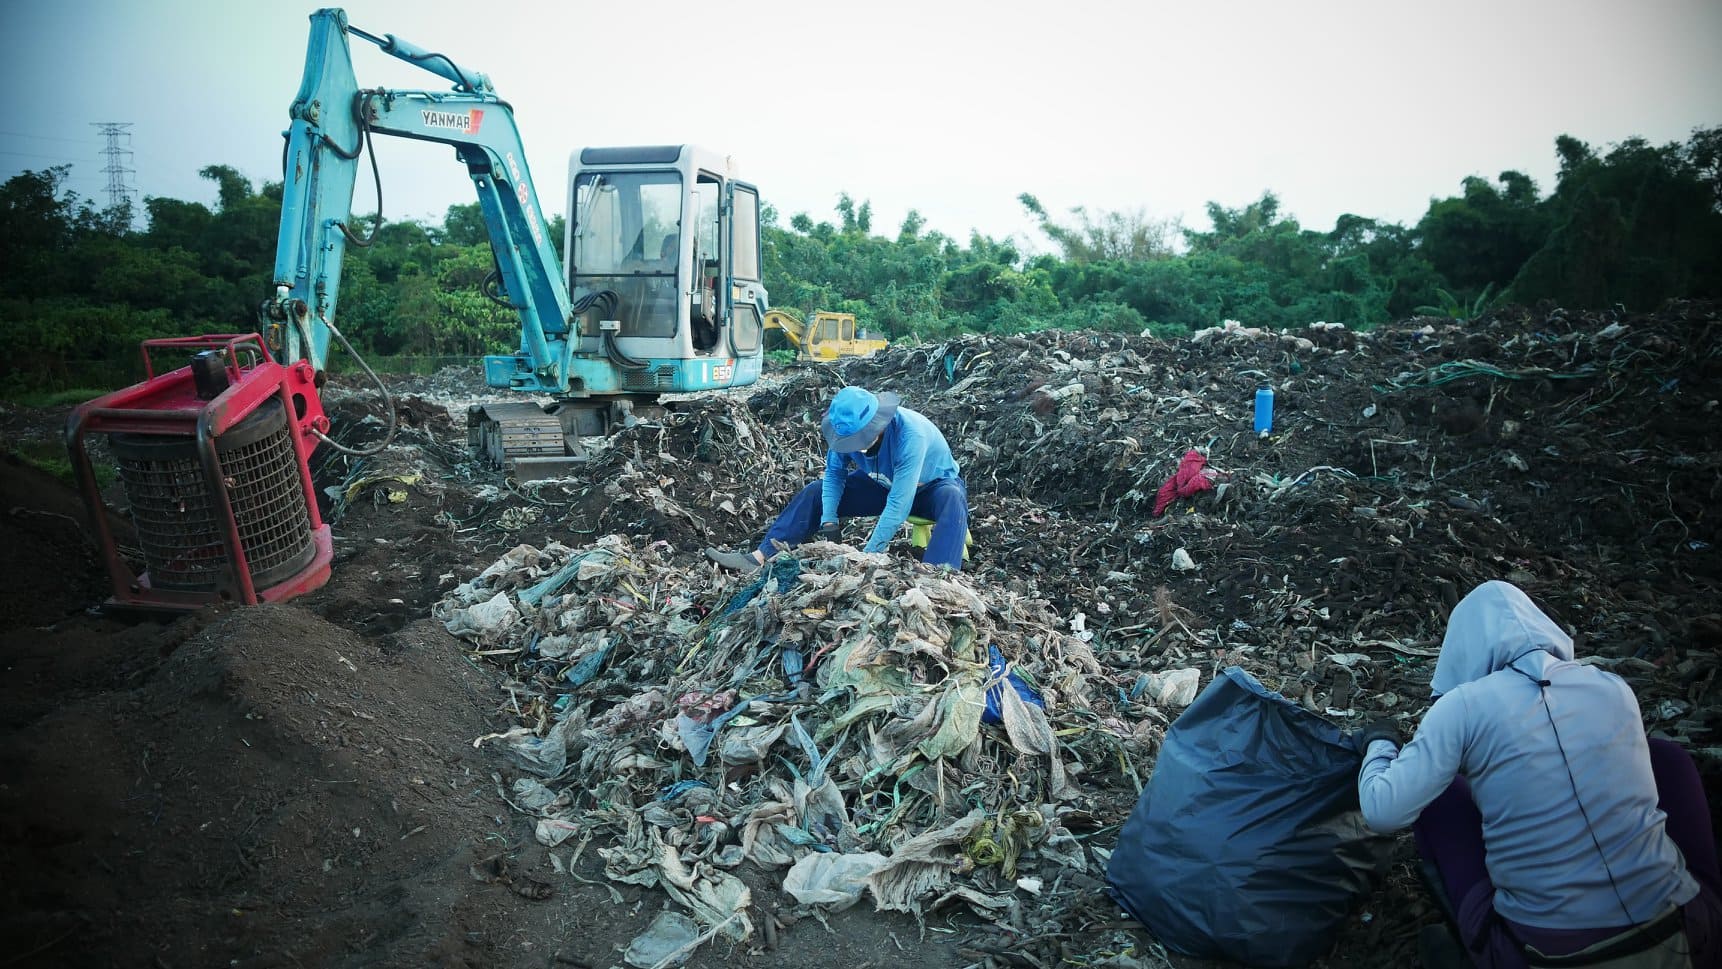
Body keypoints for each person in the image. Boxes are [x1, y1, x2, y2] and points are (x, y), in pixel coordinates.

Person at [1356, 580, 1719, 968]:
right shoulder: (1612, 687)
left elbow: (1383, 812)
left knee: (1437, 794)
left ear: (1461, 648)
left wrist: (1380, 745)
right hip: (1685, 933)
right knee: (1665, 757)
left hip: (1547, 955)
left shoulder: (1462, 707)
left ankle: (1473, 945)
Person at [705, 386, 969, 572]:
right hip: (881, 484)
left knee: (953, 499)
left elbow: (899, 505)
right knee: (815, 492)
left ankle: (938, 575)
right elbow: (834, 474)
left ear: (879, 424)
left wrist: (867, 557)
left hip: (929, 489)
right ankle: (759, 557)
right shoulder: (844, 432)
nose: (860, 448)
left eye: (864, 440)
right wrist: (829, 521)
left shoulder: (911, 436)